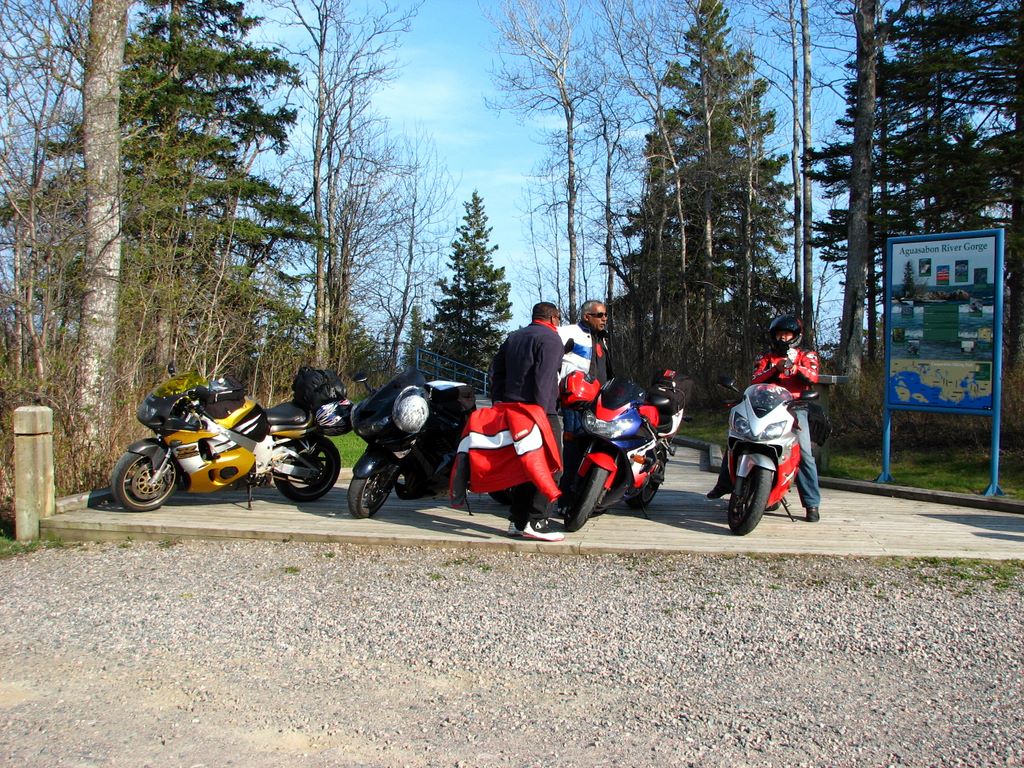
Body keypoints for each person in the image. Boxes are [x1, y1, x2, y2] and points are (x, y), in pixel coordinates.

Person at [707, 314, 823, 522]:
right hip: (765, 405)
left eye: (787, 334)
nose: (782, 338)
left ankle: (811, 503)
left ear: (796, 336)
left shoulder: (807, 355)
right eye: (779, 334)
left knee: (804, 452)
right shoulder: (766, 357)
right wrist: (775, 369)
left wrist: (795, 368)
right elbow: (755, 380)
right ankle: (724, 483)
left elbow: (813, 376)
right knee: (737, 437)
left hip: (795, 407)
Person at [489, 301, 566, 542]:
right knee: (551, 466)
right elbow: (544, 378)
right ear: (553, 318)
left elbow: (496, 371)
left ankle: (517, 521)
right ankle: (537, 522)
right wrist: (541, 415)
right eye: (558, 319)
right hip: (539, 412)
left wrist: (498, 402)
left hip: (512, 411)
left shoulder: (514, 337)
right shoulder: (551, 339)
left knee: (524, 469)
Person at [557, 300, 615, 504]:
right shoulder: (569, 333)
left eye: (605, 314)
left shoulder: (602, 339)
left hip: (600, 403)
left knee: (595, 448)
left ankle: (587, 497)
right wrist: (557, 388)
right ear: (586, 316)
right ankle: (566, 500)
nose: (604, 318)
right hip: (576, 402)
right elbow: (552, 361)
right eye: (600, 315)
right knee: (574, 450)